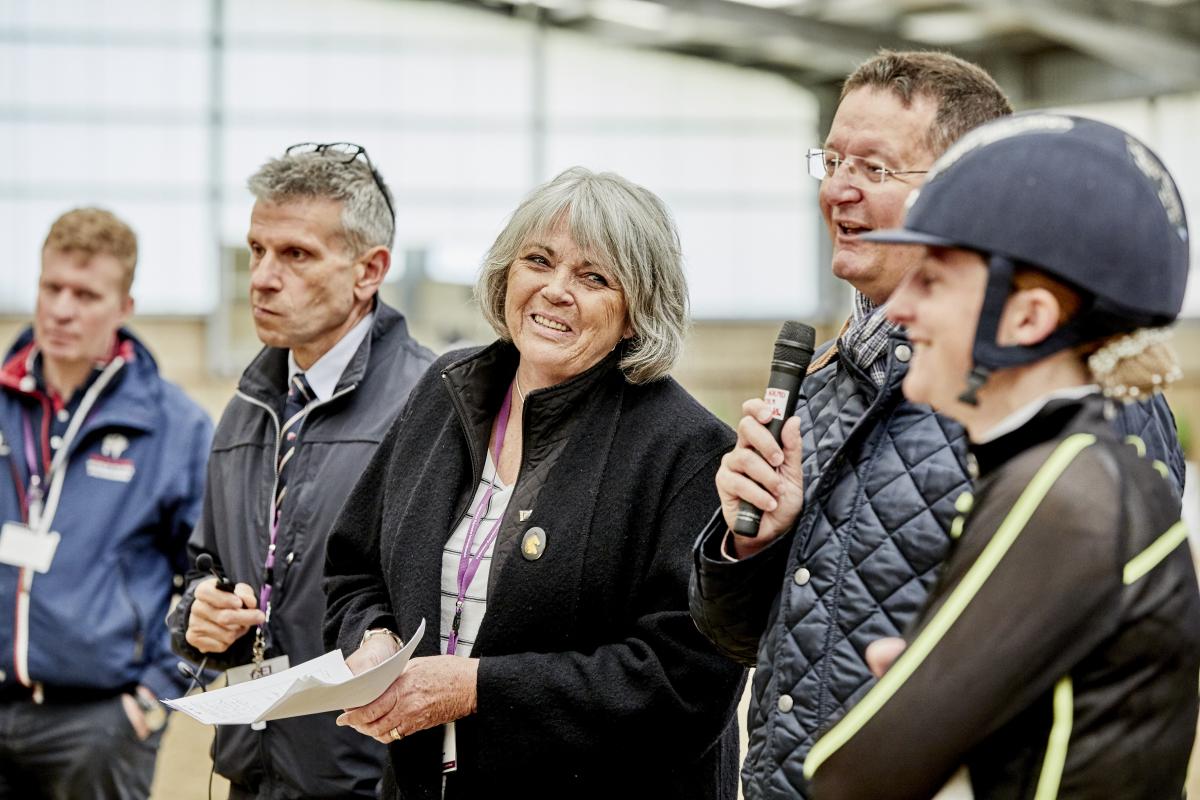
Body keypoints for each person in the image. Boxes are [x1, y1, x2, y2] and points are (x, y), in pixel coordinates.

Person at [688, 50, 1187, 799]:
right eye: (830, 158)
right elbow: (763, 646)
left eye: (876, 168)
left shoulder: (1080, 462)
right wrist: (754, 547)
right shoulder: (826, 376)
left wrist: (923, 712)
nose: (837, 188)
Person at [806, 113, 1200, 799]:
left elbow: (849, 775)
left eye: (933, 281)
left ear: (1028, 320)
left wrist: (928, 727)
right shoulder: (1076, 467)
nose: (899, 309)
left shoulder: (1063, 493)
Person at [323, 166, 746, 798]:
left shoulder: (686, 450)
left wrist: (474, 690)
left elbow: (684, 682)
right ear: (505, 274)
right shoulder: (445, 395)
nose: (555, 290)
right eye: (538, 261)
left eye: (594, 277)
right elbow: (354, 569)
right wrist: (372, 638)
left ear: (636, 313)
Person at [168, 142, 435, 799]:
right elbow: (203, 567)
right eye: (257, 250)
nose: (260, 276)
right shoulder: (246, 410)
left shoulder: (431, 407)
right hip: (252, 771)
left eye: (296, 255)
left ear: (369, 270)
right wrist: (195, 617)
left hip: (371, 778)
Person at [0, 207, 213, 798]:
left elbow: (212, 581)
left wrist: (152, 699)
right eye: (52, 287)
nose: (63, 309)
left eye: (86, 294)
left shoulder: (176, 429)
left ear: (124, 309)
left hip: (100, 724)